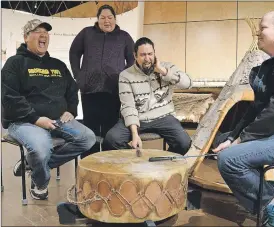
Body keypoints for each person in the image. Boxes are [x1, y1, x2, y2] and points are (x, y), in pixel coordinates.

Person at [214, 11, 274, 226]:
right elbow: (255, 109)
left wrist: (242, 140)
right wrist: (232, 137)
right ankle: (270, 198)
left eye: (263, 28)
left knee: (230, 159)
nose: (257, 33)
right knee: (221, 143)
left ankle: (272, 200)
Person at [1, 19, 96, 200]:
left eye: (46, 32)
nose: (43, 35)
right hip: (24, 121)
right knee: (41, 149)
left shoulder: (58, 65)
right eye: (37, 31)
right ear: (26, 37)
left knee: (88, 138)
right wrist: (36, 119)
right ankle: (40, 183)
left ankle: (33, 164)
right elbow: (9, 97)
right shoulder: (15, 64)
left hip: (58, 119)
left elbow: (72, 89)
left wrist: (71, 110)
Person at [103, 37, 192, 155]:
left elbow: (188, 84)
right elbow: (128, 106)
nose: (147, 58)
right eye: (142, 55)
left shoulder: (167, 67)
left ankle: (161, 166)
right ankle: (139, 163)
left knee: (184, 143)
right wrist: (135, 134)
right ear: (135, 56)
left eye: (150, 54)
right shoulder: (126, 75)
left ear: (154, 53)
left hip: (164, 116)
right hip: (137, 118)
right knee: (111, 140)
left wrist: (163, 71)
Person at [69, 4, 135, 155]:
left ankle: (107, 164)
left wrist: (123, 77)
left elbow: (132, 59)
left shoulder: (124, 37)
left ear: (115, 19)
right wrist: (78, 75)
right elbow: (74, 52)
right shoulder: (87, 33)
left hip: (113, 90)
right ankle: (89, 163)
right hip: (89, 90)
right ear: (97, 19)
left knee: (110, 131)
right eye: (103, 18)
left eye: (110, 17)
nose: (107, 21)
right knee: (90, 129)